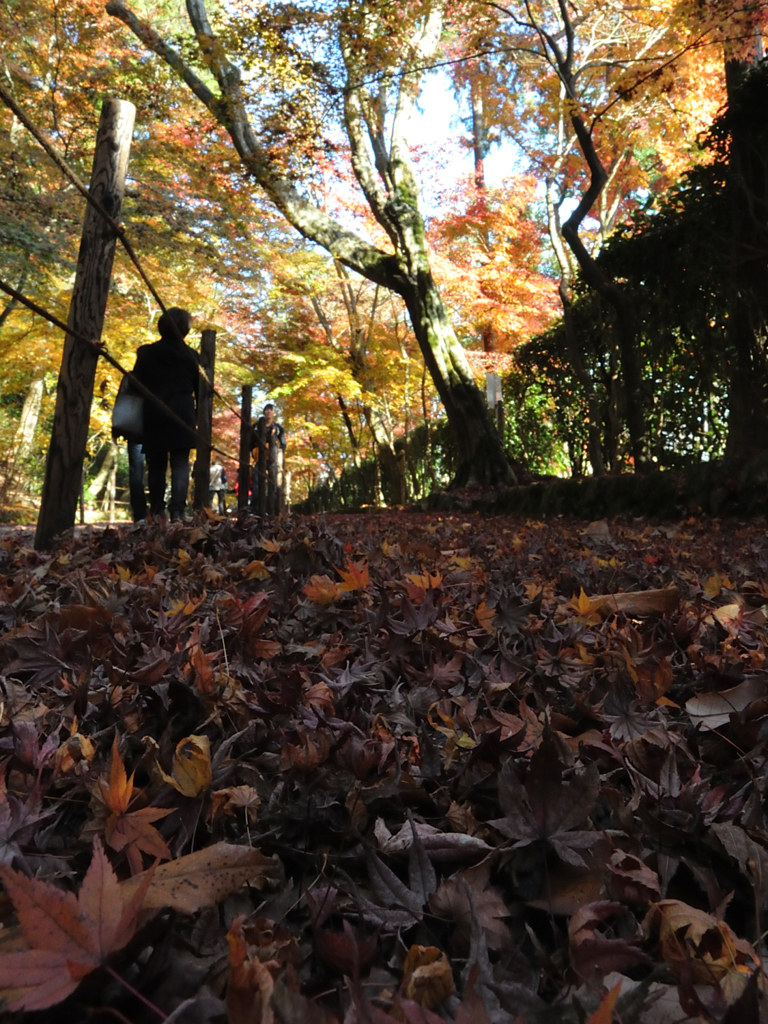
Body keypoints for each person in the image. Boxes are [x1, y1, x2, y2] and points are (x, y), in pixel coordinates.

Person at [132, 307, 199, 522]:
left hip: (154, 411)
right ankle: (177, 511)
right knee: (180, 462)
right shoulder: (193, 357)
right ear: (185, 330)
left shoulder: (146, 353)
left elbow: (136, 385)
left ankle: (158, 511)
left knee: (156, 463)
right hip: (183, 411)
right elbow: (201, 390)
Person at [111, 375, 147, 522]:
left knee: (136, 471)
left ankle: (140, 515)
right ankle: (157, 512)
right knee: (156, 469)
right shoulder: (161, 371)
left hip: (135, 429)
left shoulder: (131, 376)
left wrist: (116, 430)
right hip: (153, 428)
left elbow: (122, 400)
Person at [249, 403, 286, 514]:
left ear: (274, 412)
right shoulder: (256, 426)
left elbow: (283, 444)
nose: (268, 412)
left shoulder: (278, 428)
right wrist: (253, 452)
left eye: (270, 410)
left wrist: (278, 454)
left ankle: (272, 509)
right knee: (256, 483)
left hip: (273, 458)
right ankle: (254, 509)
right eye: (266, 410)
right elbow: (250, 442)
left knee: (273, 483)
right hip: (259, 457)